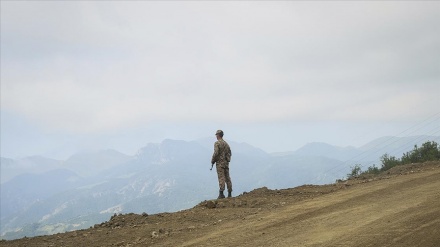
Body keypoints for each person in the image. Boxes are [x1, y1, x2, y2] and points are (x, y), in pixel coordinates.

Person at [211, 130, 233, 199]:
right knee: (227, 177)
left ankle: (221, 193)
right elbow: (230, 153)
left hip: (220, 163)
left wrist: (213, 161)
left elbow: (216, 153)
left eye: (216, 135)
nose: (216, 136)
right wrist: (227, 160)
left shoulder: (217, 143)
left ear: (218, 135)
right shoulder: (226, 144)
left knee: (221, 177)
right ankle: (229, 193)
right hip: (226, 163)